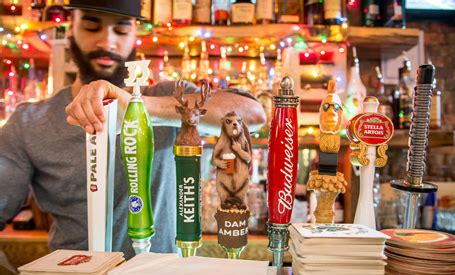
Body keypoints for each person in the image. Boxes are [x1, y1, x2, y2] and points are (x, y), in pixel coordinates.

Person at [0, 0, 265, 259]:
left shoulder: (166, 97)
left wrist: (138, 107)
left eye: (122, 29)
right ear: (71, 29)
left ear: (135, 34)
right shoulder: (30, 122)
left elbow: (252, 115)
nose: (107, 42)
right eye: (92, 27)